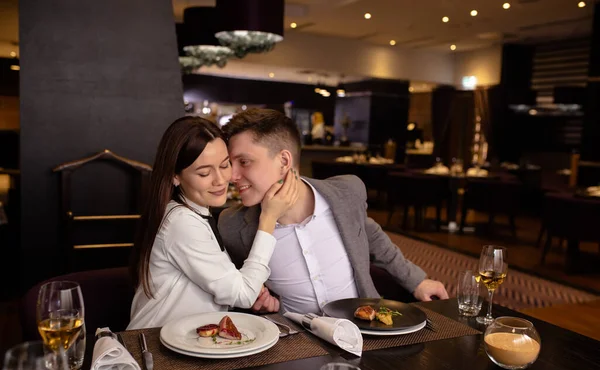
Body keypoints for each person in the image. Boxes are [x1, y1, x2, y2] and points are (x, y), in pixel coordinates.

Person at [218, 109, 449, 315]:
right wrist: (259, 300)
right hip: (298, 345)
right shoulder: (232, 225)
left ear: (284, 160)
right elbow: (239, 290)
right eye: (231, 163)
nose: (231, 175)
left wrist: (417, 282)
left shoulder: (345, 193)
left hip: (366, 331)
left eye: (244, 162)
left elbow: (373, 237)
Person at [127, 116, 298, 329]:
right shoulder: (181, 222)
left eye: (224, 165)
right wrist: (269, 218)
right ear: (175, 176)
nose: (221, 179)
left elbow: (233, 289)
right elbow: (242, 295)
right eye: (204, 172)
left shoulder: (194, 213)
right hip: (154, 348)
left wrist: (251, 289)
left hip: (186, 341)